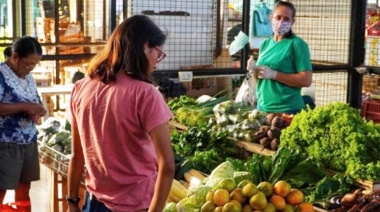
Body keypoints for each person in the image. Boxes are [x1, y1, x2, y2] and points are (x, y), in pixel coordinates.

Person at [67, 15, 175, 212]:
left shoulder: (81, 87)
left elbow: (77, 155)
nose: (157, 62)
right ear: (144, 47)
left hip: (95, 203)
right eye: (157, 53)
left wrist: (72, 201)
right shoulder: (145, 94)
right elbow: (167, 165)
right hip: (135, 205)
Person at [0, 36, 46, 211]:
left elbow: (35, 100)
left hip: (27, 141)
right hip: (6, 142)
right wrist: (25, 106)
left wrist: (37, 110)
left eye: (34, 64)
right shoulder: (1, 75)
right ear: (14, 57)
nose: (30, 68)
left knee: (24, 187)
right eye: (28, 64)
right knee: (2, 188)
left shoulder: (28, 77)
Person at [247, 1, 312, 114]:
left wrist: (274, 74)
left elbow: (306, 80)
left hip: (288, 110)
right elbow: (260, 81)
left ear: (293, 21)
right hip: (263, 109)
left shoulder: (297, 44)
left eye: (286, 19)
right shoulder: (265, 44)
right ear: (271, 18)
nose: (281, 22)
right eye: (278, 17)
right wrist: (254, 72)